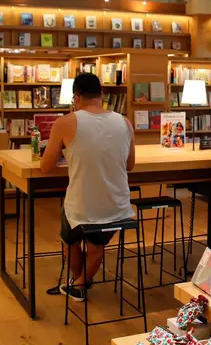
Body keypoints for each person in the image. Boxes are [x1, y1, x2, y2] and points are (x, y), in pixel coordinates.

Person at [40, 73, 135, 302]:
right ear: (102, 95)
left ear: (76, 97)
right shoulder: (125, 122)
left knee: (69, 239)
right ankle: (81, 283)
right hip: (118, 206)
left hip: (81, 206)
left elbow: (45, 167)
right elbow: (129, 165)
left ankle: (79, 283)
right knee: (96, 242)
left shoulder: (65, 122)